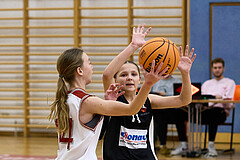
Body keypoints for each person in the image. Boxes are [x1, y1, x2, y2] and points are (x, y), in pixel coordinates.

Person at [48, 25, 167, 159]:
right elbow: (132, 109)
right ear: (79, 71)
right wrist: (148, 83)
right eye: (89, 62)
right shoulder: (88, 101)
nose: (92, 67)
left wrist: (108, 102)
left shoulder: (63, 98)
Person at [101, 24, 196, 160]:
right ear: (115, 79)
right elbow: (106, 75)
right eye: (123, 75)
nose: (129, 77)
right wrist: (133, 46)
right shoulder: (113, 99)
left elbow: (184, 100)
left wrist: (185, 73)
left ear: (140, 79)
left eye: (133, 74)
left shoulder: (149, 99)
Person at [171, 57, 236, 158]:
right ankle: (183, 144)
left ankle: (211, 146)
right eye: (215, 67)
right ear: (212, 69)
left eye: (219, 67)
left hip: (220, 112)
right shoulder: (207, 84)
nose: (217, 70)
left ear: (223, 69)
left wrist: (220, 98)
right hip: (203, 112)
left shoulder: (230, 82)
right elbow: (201, 99)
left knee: (214, 112)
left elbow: (230, 102)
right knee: (179, 112)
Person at [151, 75, 188, 156]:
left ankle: (183, 144)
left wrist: (165, 95)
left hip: (174, 110)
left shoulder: (178, 82)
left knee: (180, 115)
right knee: (159, 117)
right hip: (159, 112)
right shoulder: (154, 82)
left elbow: (181, 98)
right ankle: (162, 145)